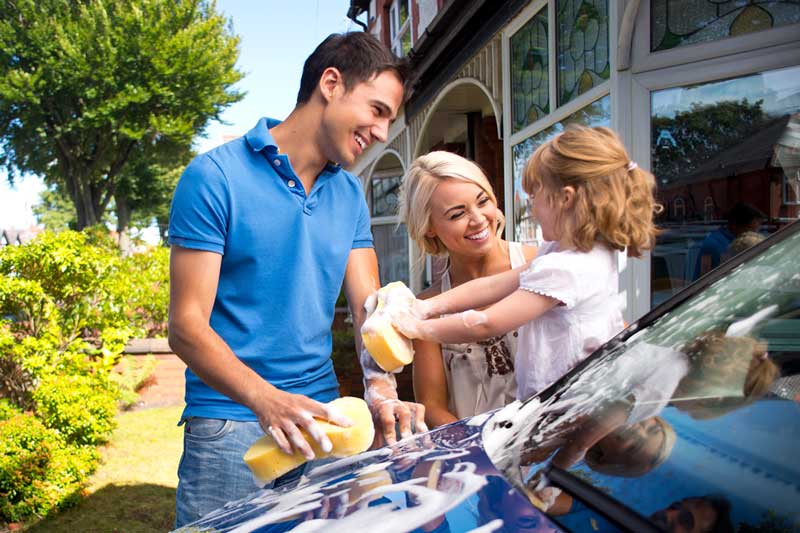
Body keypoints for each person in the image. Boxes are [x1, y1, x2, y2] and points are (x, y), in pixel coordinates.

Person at [167, 32, 425, 527]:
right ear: (331, 83)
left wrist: (381, 389)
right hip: (232, 425)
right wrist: (267, 400)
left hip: (325, 421)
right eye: (376, 110)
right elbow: (186, 326)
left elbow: (372, 312)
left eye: (388, 119)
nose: (382, 131)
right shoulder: (214, 178)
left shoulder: (348, 193)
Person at [392, 126, 660, 401]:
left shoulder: (562, 269)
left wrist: (420, 328)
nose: (531, 210)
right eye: (457, 213)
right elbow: (493, 286)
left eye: (534, 198)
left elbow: (486, 322)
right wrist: (426, 307)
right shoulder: (562, 254)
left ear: (565, 199)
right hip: (536, 417)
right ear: (429, 227)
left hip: (566, 404)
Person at [398, 151, 537, 428]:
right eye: (457, 214)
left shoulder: (539, 265)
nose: (478, 219)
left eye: (482, 201)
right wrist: (483, 454)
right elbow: (432, 406)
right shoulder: (425, 308)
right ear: (429, 228)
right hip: (477, 457)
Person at [696, 203, 765, 278]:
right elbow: (704, 277)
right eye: (751, 230)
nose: (754, 234)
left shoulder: (748, 241)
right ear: (734, 225)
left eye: (757, 230)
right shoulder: (712, 245)